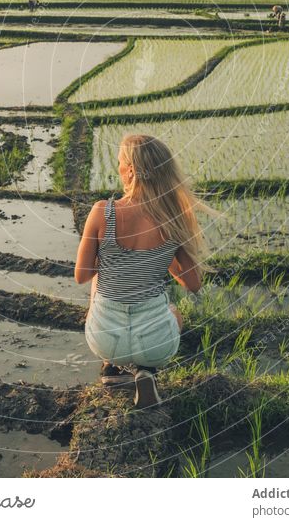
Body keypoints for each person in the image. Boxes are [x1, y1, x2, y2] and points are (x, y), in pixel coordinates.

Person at [75, 134, 212, 409]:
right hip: (156, 343)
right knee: (174, 312)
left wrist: (114, 256)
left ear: (131, 171)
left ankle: (111, 367)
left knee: (102, 274)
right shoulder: (175, 218)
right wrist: (163, 255)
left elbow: (82, 274)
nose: (117, 169)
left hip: (105, 339)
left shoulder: (103, 212)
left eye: (120, 163)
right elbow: (193, 283)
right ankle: (146, 371)